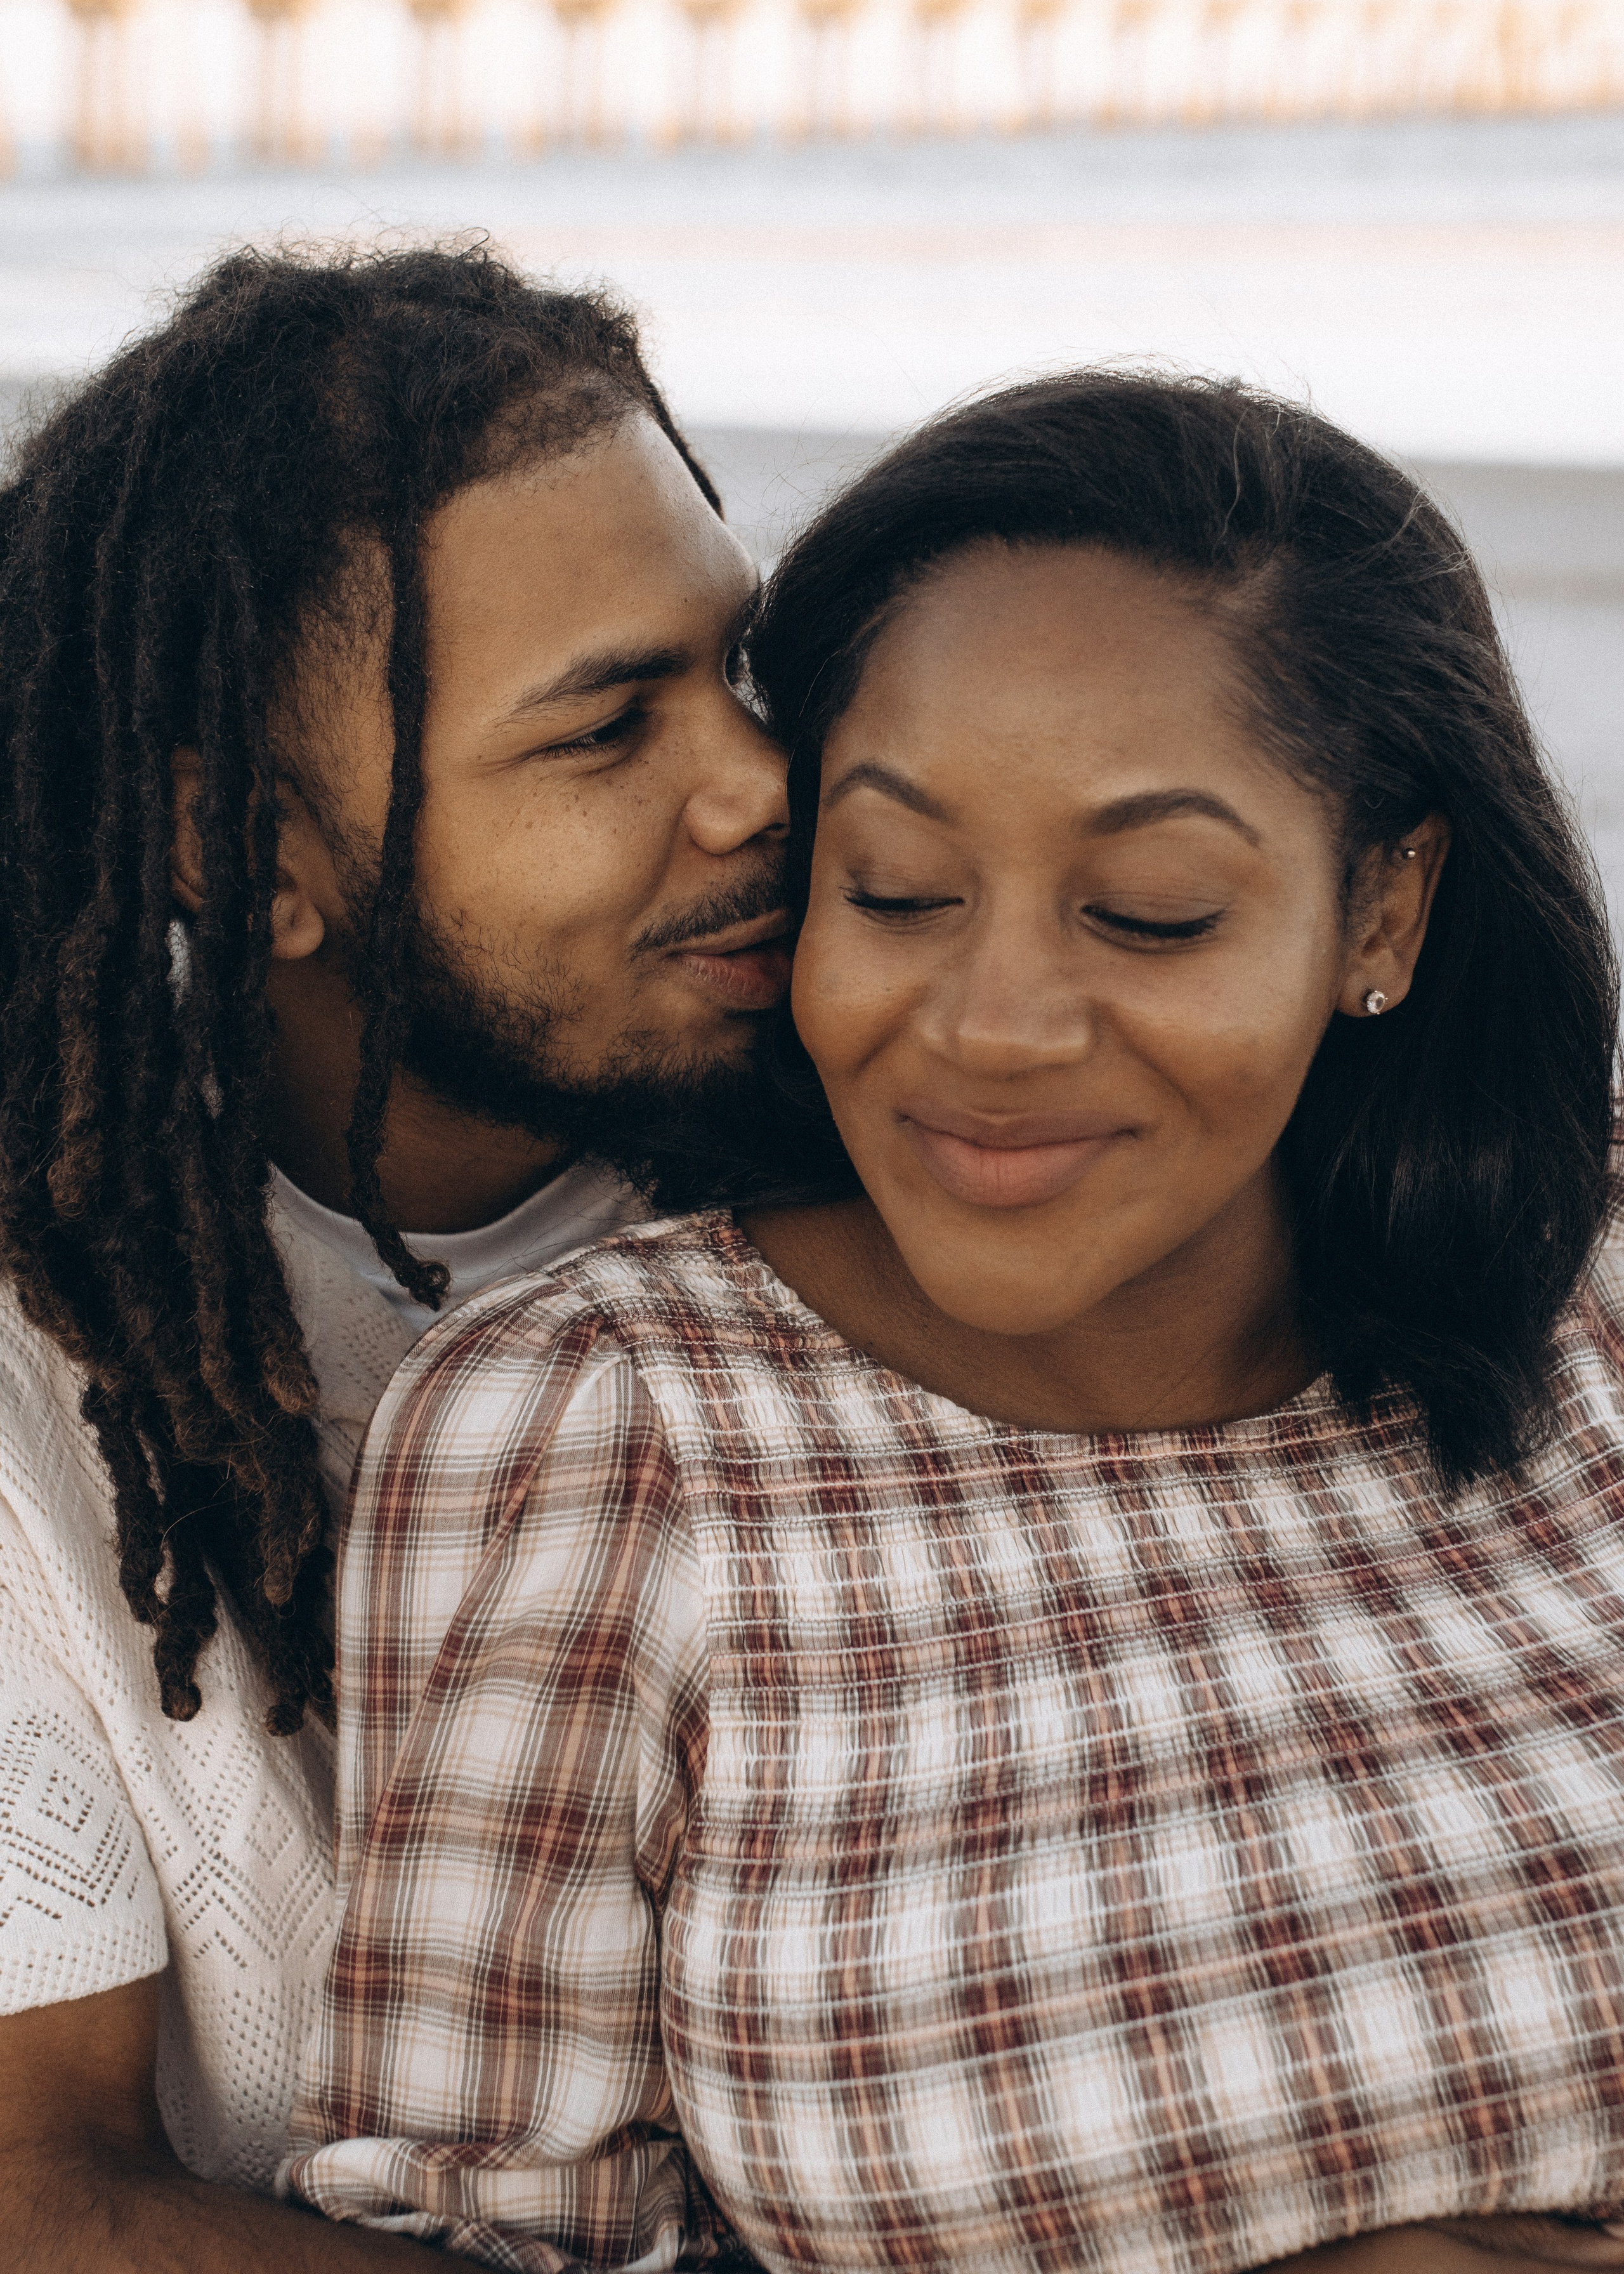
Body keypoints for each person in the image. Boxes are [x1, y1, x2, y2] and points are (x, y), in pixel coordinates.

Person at [284, 371, 1624, 2274]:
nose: (992, 1029)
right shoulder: (600, 1431)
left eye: (1149, 913)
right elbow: (474, 2241)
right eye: (897, 891)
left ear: (1382, 914)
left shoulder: (1590, 1291)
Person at [0, 242, 788, 2268]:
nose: (758, 786)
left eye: (743, 666)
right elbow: (38, 2196)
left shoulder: (906, 1171)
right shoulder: (38, 1370)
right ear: (246, 855)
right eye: (606, 731)